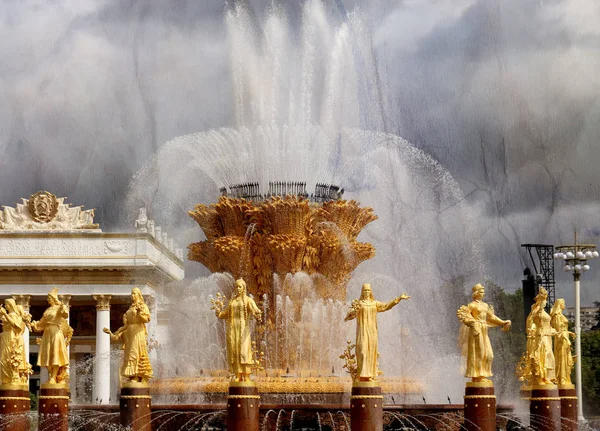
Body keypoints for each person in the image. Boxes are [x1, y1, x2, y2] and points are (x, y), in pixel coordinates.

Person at [344, 283, 410, 382]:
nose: (367, 292)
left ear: (371, 292)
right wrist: (354, 311)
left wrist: (399, 298)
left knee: (370, 352)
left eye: (368, 290)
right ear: (362, 291)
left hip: (372, 332)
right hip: (362, 331)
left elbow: (386, 306)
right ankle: (361, 374)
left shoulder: (374, 303)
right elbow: (347, 318)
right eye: (365, 290)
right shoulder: (359, 303)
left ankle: (369, 374)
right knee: (362, 351)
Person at [457, 284, 511, 382]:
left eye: (483, 292)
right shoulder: (471, 305)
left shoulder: (485, 305)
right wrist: (472, 323)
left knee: (489, 354)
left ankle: (483, 374)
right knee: (479, 353)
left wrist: (503, 322)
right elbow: (464, 316)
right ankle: (478, 377)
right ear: (476, 293)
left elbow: (492, 317)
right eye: (482, 292)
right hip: (476, 331)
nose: (484, 293)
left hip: (484, 330)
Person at [214, 278, 262, 382]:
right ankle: (237, 374)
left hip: (243, 328)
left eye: (240, 286)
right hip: (232, 328)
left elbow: (254, 309)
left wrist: (257, 312)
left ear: (244, 288)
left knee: (244, 351)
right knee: (234, 351)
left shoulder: (248, 300)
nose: (238, 288)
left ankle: (246, 374)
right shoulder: (232, 301)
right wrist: (219, 313)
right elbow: (226, 314)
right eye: (236, 287)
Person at [103, 288, 153, 384]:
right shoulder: (130, 308)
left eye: (134, 294)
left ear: (139, 295)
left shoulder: (143, 306)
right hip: (129, 331)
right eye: (131, 294)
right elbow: (125, 326)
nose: (132, 296)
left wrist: (139, 313)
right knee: (129, 354)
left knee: (135, 353)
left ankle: (137, 375)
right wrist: (111, 332)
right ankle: (132, 375)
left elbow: (146, 319)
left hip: (138, 332)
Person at [31, 287, 72, 385]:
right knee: (47, 356)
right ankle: (52, 375)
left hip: (56, 333)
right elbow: (41, 324)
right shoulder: (47, 310)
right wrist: (32, 324)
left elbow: (65, 315)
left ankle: (53, 377)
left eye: (49, 297)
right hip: (47, 333)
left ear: (53, 298)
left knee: (55, 355)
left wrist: (63, 307)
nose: (47, 299)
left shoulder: (58, 308)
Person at [528, 287, 556, 385]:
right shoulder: (535, 308)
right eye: (544, 296)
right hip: (541, 335)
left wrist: (554, 331)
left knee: (549, 356)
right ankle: (541, 376)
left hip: (547, 335)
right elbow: (533, 319)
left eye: (546, 297)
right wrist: (540, 308)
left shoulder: (545, 312)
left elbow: (548, 324)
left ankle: (546, 377)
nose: (546, 299)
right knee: (545, 354)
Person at [0, 299, 31, 385]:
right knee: (3, 360)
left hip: (10, 337)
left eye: (7, 305)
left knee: (7, 358)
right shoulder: (9, 314)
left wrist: (5, 314)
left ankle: (12, 378)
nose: (5, 306)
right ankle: (7, 380)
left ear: (10, 305)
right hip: (5, 336)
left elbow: (15, 325)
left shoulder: (13, 315)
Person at [550, 298, 574, 386]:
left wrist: (569, 333)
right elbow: (558, 331)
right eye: (563, 303)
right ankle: (561, 378)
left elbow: (563, 329)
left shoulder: (561, 316)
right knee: (562, 359)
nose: (565, 305)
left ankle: (566, 378)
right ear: (559, 304)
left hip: (565, 338)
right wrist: (566, 339)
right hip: (561, 340)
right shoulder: (557, 316)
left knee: (566, 359)